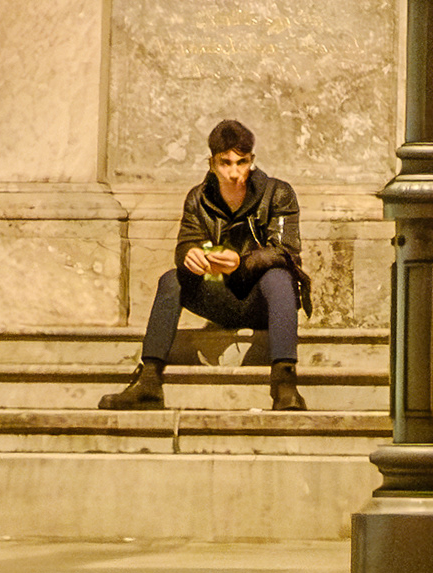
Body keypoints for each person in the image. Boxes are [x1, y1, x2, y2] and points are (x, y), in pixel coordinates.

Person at [102, 119, 310, 412]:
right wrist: (190, 256)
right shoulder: (198, 199)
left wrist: (241, 262)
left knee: (279, 277)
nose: (234, 172)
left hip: (265, 303)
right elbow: (185, 243)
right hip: (219, 297)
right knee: (171, 279)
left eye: (242, 162)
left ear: (252, 161)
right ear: (212, 163)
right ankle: (148, 381)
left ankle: (285, 384)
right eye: (225, 163)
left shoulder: (278, 193)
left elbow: (286, 252)